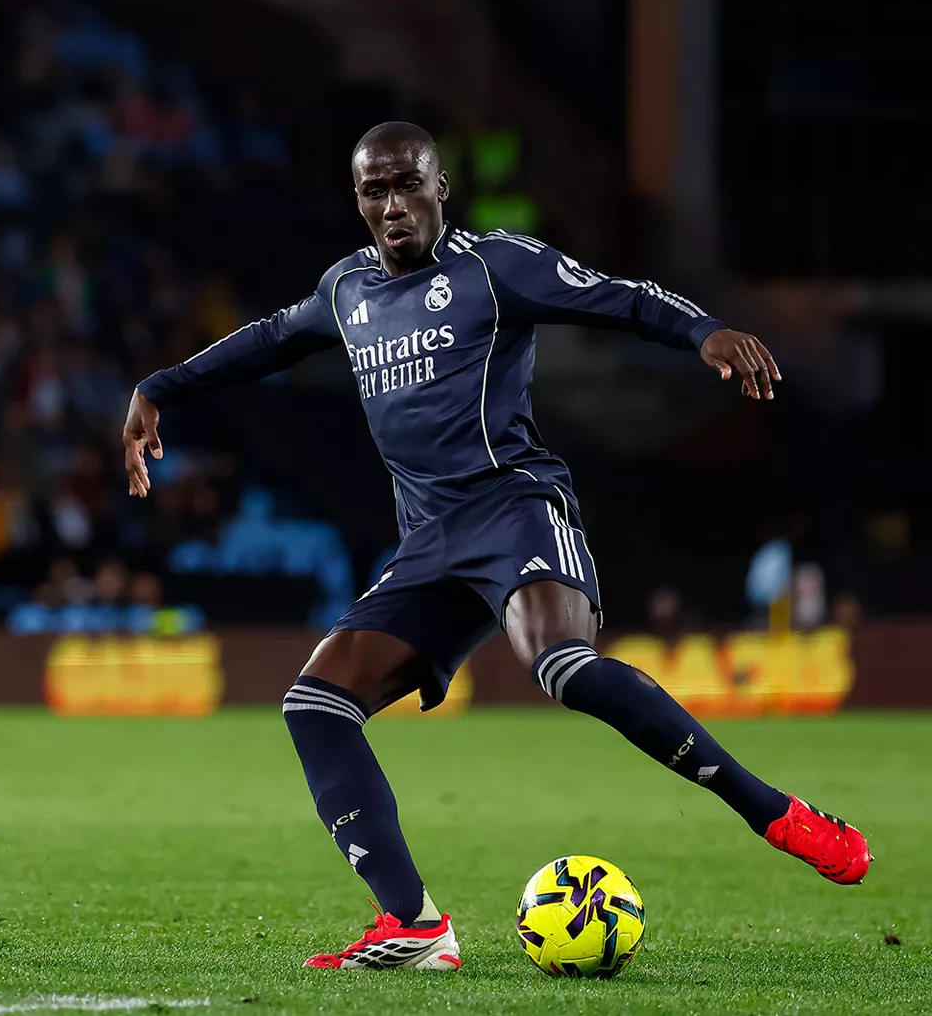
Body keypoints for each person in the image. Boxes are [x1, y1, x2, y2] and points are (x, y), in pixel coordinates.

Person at [121, 121, 871, 971]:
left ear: (442, 189)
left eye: (409, 185)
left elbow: (618, 295)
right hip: (429, 544)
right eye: (375, 190)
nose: (394, 205)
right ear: (358, 202)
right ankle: (413, 925)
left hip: (515, 507)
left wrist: (704, 332)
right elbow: (269, 339)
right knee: (315, 705)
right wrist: (158, 388)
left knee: (561, 665)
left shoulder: (494, 266)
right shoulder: (347, 291)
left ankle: (772, 811)